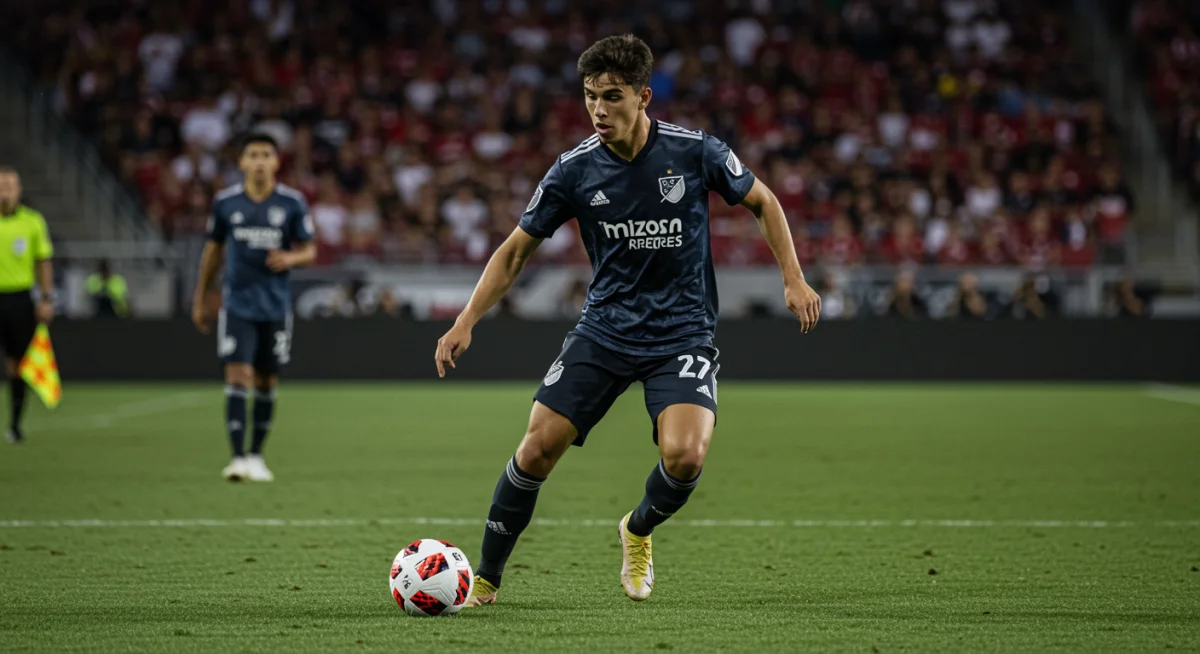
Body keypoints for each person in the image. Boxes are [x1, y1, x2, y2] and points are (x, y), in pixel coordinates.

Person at [433, 35, 821, 607]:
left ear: (643, 97)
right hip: (604, 331)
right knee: (536, 449)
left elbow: (764, 200)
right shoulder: (573, 171)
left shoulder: (695, 152)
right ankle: (485, 581)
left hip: (682, 333)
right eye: (590, 96)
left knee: (685, 457)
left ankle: (637, 528)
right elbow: (515, 250)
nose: (598, 109)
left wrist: (793, 276)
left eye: (612, 96)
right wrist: (466, 319)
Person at [191, 134, 316, 482]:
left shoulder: (291, 203)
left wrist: (290, 256)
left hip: (275, 307)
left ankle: (257, 455)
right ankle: (237, 457)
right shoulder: (226, 203)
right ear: (242, 162)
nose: (260, 161)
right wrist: (201, 296)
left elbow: (310, 250)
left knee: (265, 380)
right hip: (237, 305)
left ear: (276, 162)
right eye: (253, 155)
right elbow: (213, 252)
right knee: (238, 374)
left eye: (266, 155)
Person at [0, 168, 55, 444]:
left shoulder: (32, 222)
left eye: (10, 185)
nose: (5, 190)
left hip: (19, 299)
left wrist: (46, 298)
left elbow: (43, 261)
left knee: (17, 363)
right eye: (1, 185)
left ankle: (15, 425)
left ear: (19, 190)